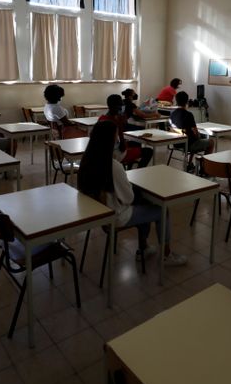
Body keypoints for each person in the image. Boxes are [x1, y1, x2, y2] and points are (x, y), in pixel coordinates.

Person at [78, 120, 187, 266]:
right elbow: (129, 198)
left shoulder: (87, 160)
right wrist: (129, 186)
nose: (118, 139)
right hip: (117, 216)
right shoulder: (113, 166)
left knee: (145, 204)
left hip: (99, 214)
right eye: (116, 136)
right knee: (162, 210)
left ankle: (144, 248)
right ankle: (166, 254)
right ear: (111, 140)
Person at [99, 95, 153, 168]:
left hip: (103, 153)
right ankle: (138, 170)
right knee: (148, 151)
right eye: (121, 105)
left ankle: (130, 167)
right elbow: (122, 147)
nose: (122, 107)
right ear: (117, 107)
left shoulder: (102, 118)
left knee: (135, 143)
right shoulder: (114, 122)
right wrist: (121, 124)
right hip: (115, 155)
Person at [169, 91, 214, 172]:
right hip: (188, 144)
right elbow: (195, 132)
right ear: (187, 102)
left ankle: (189, 164)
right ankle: (204, 167)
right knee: (211, 142)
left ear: (176, 101)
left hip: (176, 143)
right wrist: (199, 137)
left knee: (192, 137)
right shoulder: (189, 114)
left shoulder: (172, 113)